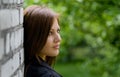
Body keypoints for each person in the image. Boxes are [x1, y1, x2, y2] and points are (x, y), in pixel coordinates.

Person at [23, 5, 62, 77]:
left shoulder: (29, 67)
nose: (58, 38)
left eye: (58, 31)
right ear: (34, 36)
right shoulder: (47, 75)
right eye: (50, 33)